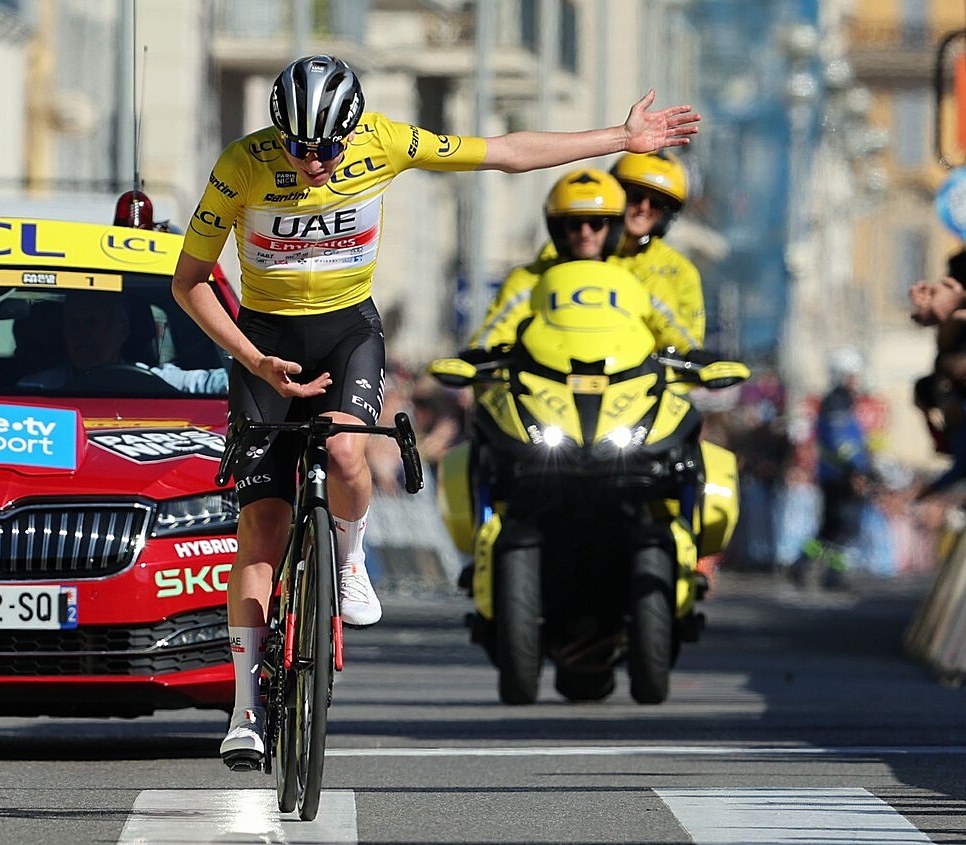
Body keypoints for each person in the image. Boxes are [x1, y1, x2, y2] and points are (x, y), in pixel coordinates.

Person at [170, 54, 699, 769]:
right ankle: (244, 711)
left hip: (347, 331)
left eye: (327, 149)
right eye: (297, 146)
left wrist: (620, 139)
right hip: (263, 341)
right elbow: (190, 282)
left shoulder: (385, 141)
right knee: (261, 527)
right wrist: (252, 357)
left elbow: (505, 153)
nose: (313, 163)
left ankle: (350, 560)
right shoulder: (243, 164)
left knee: (347, 452)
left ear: (352, 133)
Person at [469, 168, 625, 350]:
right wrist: (478, 356)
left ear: (613, 227)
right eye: (574, 224)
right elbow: (492, 335)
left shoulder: (630, 277)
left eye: (596, 223)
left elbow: (654, 323)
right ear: (559, 228)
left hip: (621, 368)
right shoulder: (529, 281)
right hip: (548, 369)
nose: (585, 233)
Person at [17, 291, 228, 394]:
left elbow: (222, 382)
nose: (79, 334)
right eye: (72, 323)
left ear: (123, 330)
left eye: (91, 323)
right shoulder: (35, 389)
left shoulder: (158, 380)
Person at [790, 347, 873, 590]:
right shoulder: (838, 402)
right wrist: (855, 470)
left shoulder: (841, 401)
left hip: (836, 474)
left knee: (831, 527)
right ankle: (832, 575)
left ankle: (805, 564)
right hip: (840, 476)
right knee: (844, 526)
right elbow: (840, 441)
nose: (856, 380)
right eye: (853, 375)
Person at [608, 150, 704, 353]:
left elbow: (690, 344)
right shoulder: (583, 249)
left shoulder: (681, 271)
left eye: (656, 204)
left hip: (646, 372)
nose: (644, 208)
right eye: (635, 197)